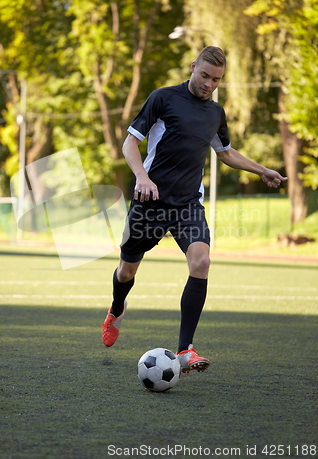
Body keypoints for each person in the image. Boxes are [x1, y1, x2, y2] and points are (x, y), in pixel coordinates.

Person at [101, 46, 287, 373]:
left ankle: (185, 349)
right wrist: (142, 178)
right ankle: (116, 308)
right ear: (193, 67)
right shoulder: (163, 98)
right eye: (205, 76)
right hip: (150, 203)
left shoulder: (215, 113)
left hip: (188, 204)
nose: (209, 84)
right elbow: (130, 143)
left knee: (201, 261)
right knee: (126, 271)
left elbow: (225, 153)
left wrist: (262, 170)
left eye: (217, 79)